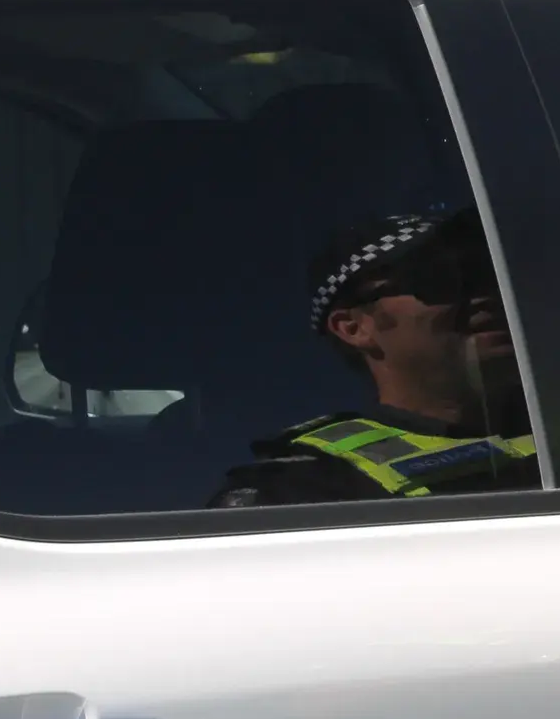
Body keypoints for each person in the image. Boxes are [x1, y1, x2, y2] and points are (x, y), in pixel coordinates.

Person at [210, 210, 537, 507]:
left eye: (486, 272)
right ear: (353, 328)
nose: (485, 294)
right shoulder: (294, 492)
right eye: (439, 279)